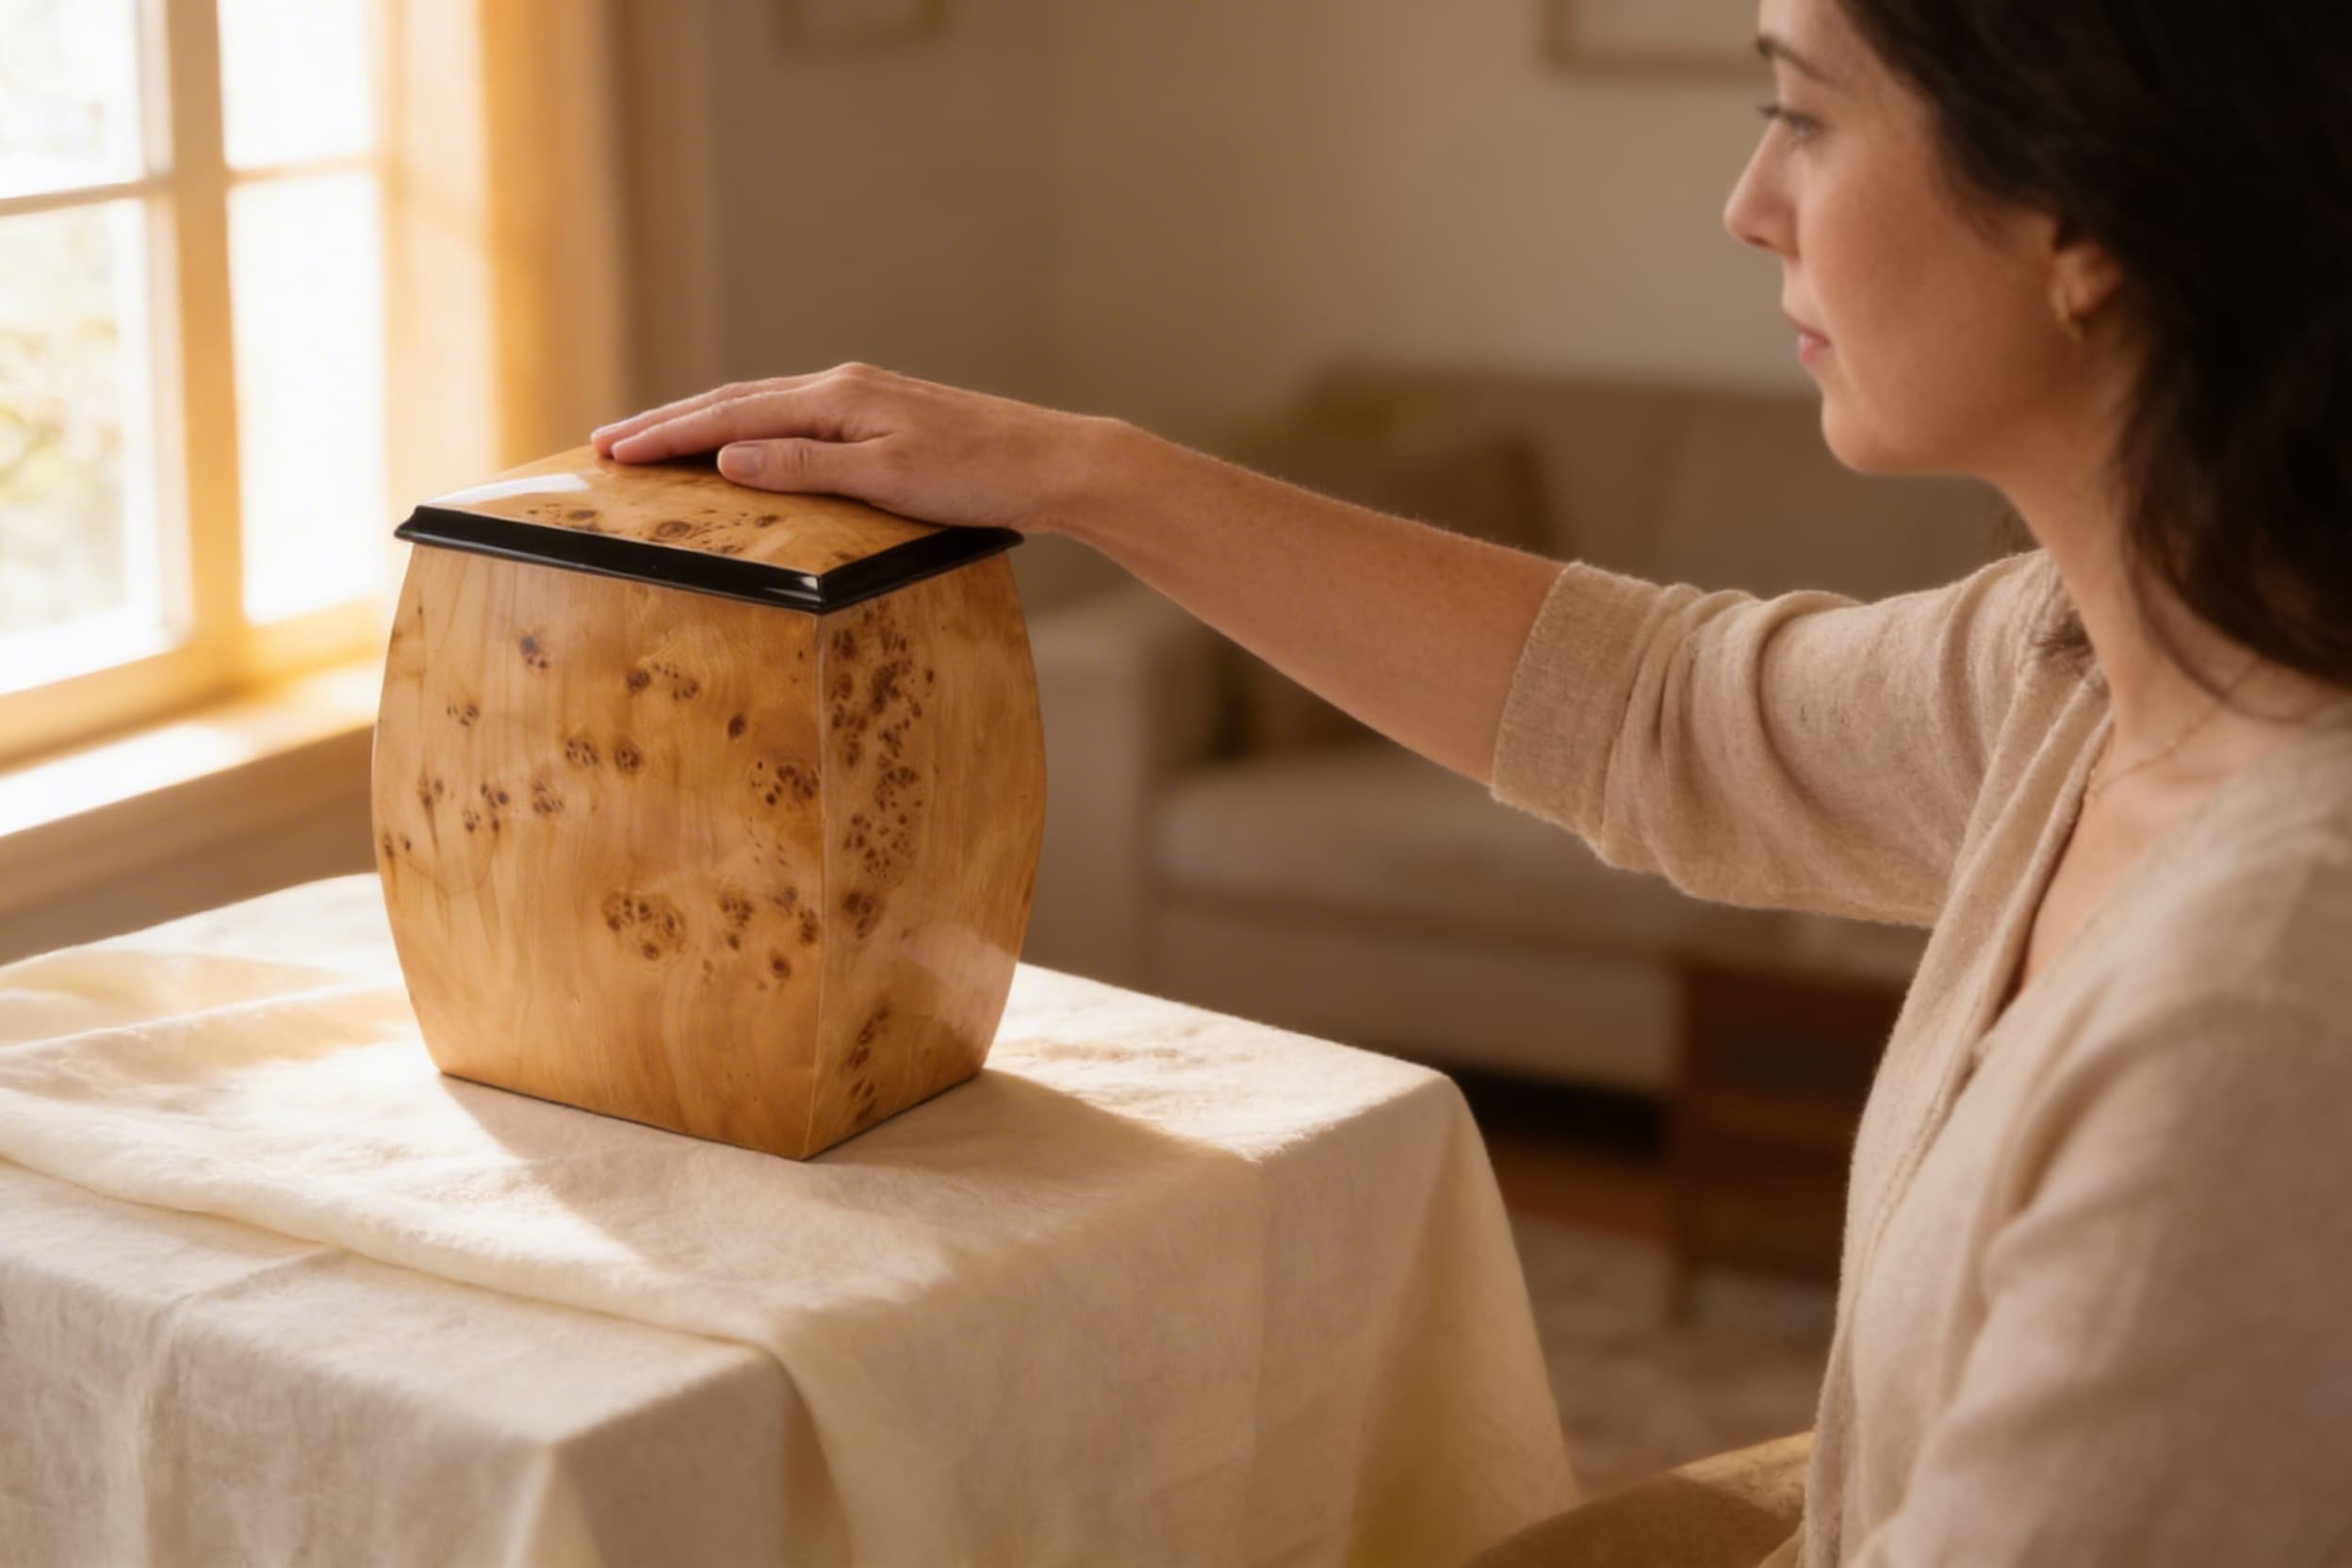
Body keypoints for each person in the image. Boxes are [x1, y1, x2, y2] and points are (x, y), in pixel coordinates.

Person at [592, 0, 2352, 1560]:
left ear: (2085, 217)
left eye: (1805, 114)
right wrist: (1077, 471)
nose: (1751, 204)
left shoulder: (2262, 1030)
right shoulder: (2085, 663)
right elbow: (1658, 709)